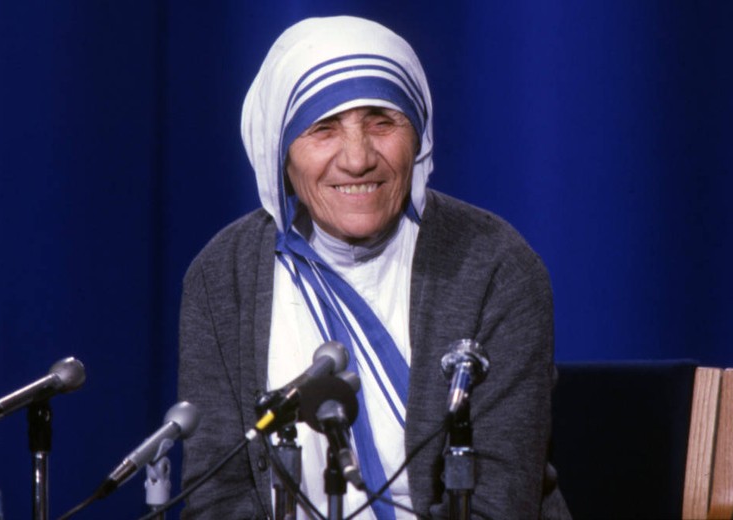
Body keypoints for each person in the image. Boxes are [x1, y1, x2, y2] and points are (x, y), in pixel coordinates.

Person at [178, 15, 570, 520]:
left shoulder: (495, 265)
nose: (358, 158)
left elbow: (497, 503)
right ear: (280, 152)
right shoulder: (223, 276)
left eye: (382, 122)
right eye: (323, 129)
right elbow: (219, 499)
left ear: (419, 137)